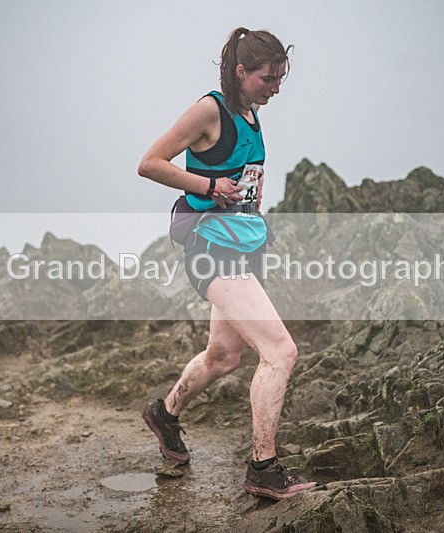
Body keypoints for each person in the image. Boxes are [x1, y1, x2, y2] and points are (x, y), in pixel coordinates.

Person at [137, 27, 316, 500]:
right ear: (241, 72)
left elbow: (244, 180)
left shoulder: (250, 112)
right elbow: (150, 162)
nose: (276, 87)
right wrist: (210, 188)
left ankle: (165, 413)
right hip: (212, 251)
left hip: (244, 249)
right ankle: (263, 466)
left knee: (224, 356)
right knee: (281, 352)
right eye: (268, 78)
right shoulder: (210, 110)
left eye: (281, 78)